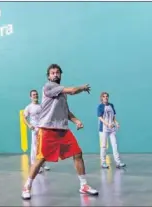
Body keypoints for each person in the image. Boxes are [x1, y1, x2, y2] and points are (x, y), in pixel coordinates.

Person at [21, 64, 98, 200]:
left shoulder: (62, 94)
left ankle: (84, 185)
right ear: (48, 76)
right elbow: (73, 90)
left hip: (62, 130)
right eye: (52, 73)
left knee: (78, 153)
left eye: (57, 72)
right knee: (40, 159)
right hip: (47, 129)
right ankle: (27, 186)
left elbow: (66, 112)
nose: (55, 75)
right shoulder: (48, 87)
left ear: (61, 75)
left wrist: (76, 121)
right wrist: (83, 87)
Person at [22, 90, 50, 172]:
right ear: (30, 97)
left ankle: (43, 164)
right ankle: (35, 165)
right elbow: (24, 118)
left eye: (36, 94)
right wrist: (29, 125)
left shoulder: (41, 106)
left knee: (43, 146)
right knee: (35, 147)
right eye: (33, 95)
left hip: (42, 128)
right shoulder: (28, 107)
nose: (35, 96)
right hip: (34, 129)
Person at [98, 92, 126, 169]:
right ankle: (103, 163)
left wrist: (116, 122)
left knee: (115, 145)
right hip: (103, 129)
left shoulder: (111, 105)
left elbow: (113, 116)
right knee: (103, 146)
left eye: (107, 96)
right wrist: (107, 124)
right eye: (104, 96)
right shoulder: (100, 106)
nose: (105, 98)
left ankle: (118, 162)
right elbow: (100, 117)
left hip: (112, 129)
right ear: (101, 98)